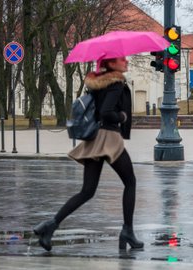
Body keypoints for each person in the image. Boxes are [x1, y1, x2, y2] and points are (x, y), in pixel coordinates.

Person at [33, 56, 144, 251]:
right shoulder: (116, 82)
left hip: (94, 139)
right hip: (108, 138)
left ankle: (50, 226)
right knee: (131, 182)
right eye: (121, 59)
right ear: (110, 64)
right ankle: (127, 231)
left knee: (87, 191)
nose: (126, 61)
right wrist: (122, 116)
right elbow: (106, 112)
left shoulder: (97, 83)